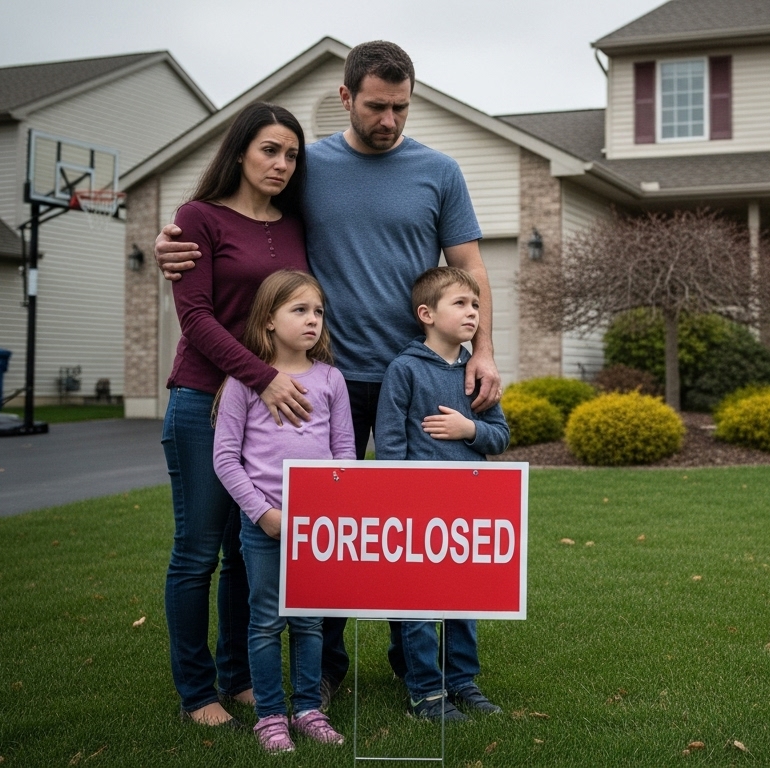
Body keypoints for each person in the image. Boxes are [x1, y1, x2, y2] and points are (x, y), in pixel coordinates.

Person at [156, 41, 503, 698]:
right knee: (330, 529)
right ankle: (325, 669)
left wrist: (482, 349)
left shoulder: (440, 169)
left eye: (401, 107)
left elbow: (472, 266)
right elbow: (234, 218)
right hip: (321, 383)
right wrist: (173, 242)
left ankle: (421, 669)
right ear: (346, 97)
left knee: (413, 528)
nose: (389, 120)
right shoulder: (305, 165)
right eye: (376, 106)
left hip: (414, 380)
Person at [161, 102, 314, 727]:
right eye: (269, 151)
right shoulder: (197, 218)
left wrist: (278, 383)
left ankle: (239, 675)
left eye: (291, 154)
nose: (281, 164)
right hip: (203, 400)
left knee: (244, 547)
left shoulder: (297, 223)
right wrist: (264, 377)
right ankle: (197, 691)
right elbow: (195, 319)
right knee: (197, 551)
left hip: (264, 411)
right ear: (240, 152)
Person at [213, 270, 353, 752]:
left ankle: (309, 707)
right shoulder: (243, 382)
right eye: (299, 310)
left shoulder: (331, 379)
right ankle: (270, 716)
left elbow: (344, 453)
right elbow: (225, 457)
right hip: (265, 527)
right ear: (269, 320)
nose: (312, 320)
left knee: (311, 622)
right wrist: (261, 514)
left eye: (317, 311)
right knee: (267, 621)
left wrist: (334, 511)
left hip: (318, 528)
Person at [374, 266, 509, 721]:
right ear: (427, 313)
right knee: (417, 600)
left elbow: (500, 437)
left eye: (475, 305)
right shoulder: (404, 369)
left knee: (462, 599)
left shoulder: (478, 372)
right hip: (415, 508)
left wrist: (469, 428)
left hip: (467, 507)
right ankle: (425, 691)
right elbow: (390, 443)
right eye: (461, 304)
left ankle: (460, 680)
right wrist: (398, 499)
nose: (472, 312)